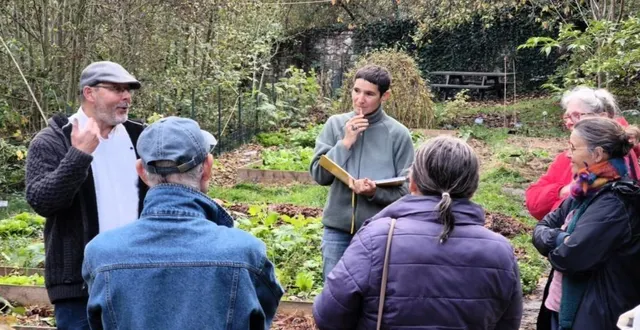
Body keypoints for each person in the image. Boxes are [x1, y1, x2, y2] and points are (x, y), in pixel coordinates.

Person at [82, 117, 283, 330]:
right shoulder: (246, 253)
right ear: (207, 167)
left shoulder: (101, 254)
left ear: (141, 171)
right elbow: (263, 315)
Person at [313, 136, 523, 329]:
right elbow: (509, 323)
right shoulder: (500, 251)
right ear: (473, 188)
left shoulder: (377, 238)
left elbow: (328, 317)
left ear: (412, 183)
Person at [25, 61, 148, 330]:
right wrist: (78, 156)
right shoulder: (53, 140)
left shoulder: (142, 138)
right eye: (116, 89)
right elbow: (42, 201)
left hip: (139, 280)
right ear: (90, 93)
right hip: (80, 288)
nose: (126, 97)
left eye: (128, 90)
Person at [532, 117, 640, 330]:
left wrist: (554, 241)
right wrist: (562, 238)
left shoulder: (615, 202)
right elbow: (541, 227)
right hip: (561, 307)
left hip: (594, 315)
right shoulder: (583, 188)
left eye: (573, 147)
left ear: (597, 154)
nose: (568, 154)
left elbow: (571, 257)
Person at [309, 64, 415, 279]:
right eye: (356, 91)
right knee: (334, 294)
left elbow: (408, 190)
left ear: (385, 96)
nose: (360, 99)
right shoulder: (335, 124)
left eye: (369, 94)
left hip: (379, 232)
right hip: (336, 231)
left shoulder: (398, 134)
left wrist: (374, 192)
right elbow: (319, 175)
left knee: (373, 296)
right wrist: (345, 142)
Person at [526, 86, 640, 221]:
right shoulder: (567, 157)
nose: (569, 122)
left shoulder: (616, 160)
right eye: (567, 117)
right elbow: (534, 202)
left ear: (603, 118)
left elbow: (592, 225)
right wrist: (564, 191)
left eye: (577, 115)